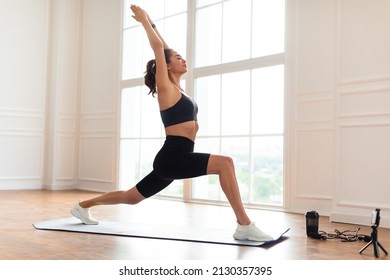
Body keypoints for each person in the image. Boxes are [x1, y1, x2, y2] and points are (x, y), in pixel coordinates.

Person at [70, 4, 273, 242]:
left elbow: (164, 48)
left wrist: (153, 22)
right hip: (173, 157)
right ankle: (244, 225)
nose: (183, 59)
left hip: (175, 158)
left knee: (132, 197)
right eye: (178, 57)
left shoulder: (178, 89)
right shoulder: (165, 88)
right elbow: (159, 48)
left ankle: (82, 206)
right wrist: (145, 22)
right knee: (225, 163)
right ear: (166, 67)